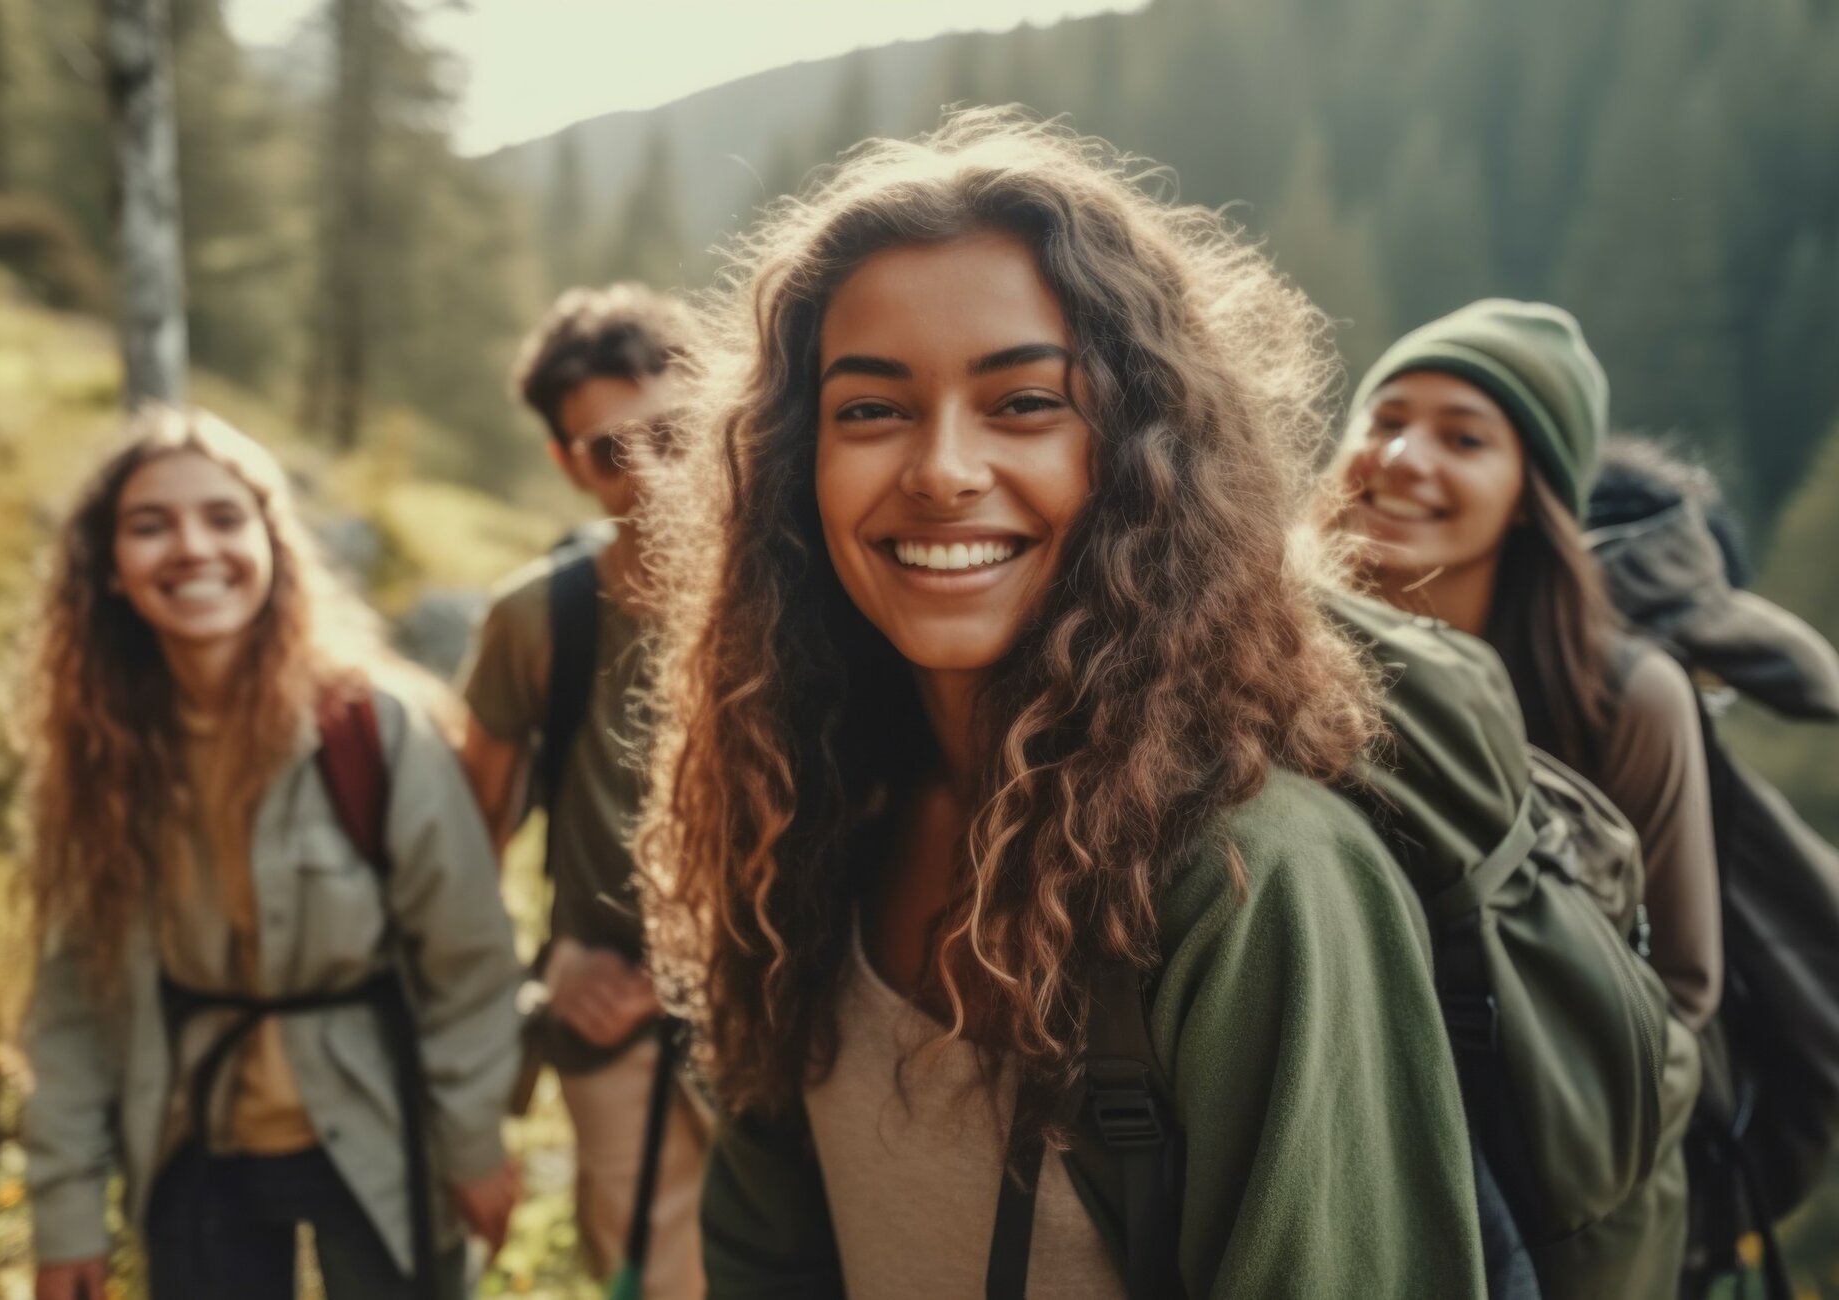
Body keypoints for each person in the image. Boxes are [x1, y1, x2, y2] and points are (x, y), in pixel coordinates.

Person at [632, 109, 1485, 1297]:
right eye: (870, 408)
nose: (939, 469)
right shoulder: (808, 809)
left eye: (1024, 403)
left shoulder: (1255, 883)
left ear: (1145, 458)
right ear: (793, 467)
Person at [19, 407, 523, 1300]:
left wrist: (475, 1145)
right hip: (193, 1144)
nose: (191, 547)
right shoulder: (97, 762)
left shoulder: (370, 728)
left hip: (381, 1143)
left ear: (272, 545)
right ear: (108, 571)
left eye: (222, 517)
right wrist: (64, 1212)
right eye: (149, 526)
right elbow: (72, 1005)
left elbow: (467, 955)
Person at [1333, 300, 1723, 1030]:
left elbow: (1679, 998)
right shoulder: (1257, 649)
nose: (1402, 458)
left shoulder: (1624, 698)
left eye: (1464, 439)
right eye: (1386, 421)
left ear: (1529, 497)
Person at [455, 283, 707, 1297]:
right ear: (565, 463)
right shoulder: (535, 622)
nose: (647, 465)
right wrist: (549, 968)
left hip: (798, 1019)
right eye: (608, 449)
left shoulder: (815, 590)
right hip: (616, 1024)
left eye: (673, 429)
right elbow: (463, 855)